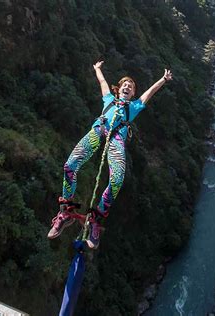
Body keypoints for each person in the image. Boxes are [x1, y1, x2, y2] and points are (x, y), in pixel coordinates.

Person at [48, 60, 173, 249]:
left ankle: (95, 220)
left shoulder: (133, 108)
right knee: (70, 166)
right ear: (119, 89)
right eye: (125, 85)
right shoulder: (108, 99)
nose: (128, 87)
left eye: (131, 87)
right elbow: (103, 83)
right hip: (98, 131)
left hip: (116, 140)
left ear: (132, 94)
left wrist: (163, 79)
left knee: (117, 179)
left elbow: (149, 93)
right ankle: (65, 212)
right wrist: (98, 69)